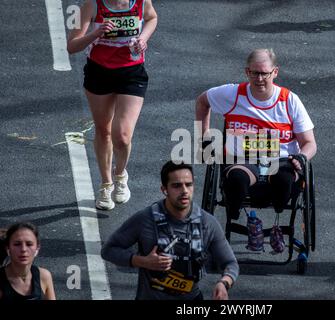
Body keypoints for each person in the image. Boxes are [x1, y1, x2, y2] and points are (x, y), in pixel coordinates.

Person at [195, 48, 317, 220]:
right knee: (237, 179)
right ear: (247, 72)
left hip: (281, 161)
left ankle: (278, 209)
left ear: (275, 72)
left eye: (265, 74)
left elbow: (310, 143)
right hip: (243, 160)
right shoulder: (233, 94)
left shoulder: (289, 100)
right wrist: (204, 137)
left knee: (283, 179)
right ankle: (234, 212)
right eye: (255, 73)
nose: (259, 79)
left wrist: (301, 157)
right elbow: (202, 102)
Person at [101, 161, 239, 300]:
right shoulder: (145, 219)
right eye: (177, 186)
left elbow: (230, 263)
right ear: (164, 189)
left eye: (188, 184)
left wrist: (224, 283)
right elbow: (109, 250)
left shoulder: (208, 223)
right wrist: (142, 261)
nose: (184, 191)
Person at [67, 0, 158, 210]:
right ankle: (106, 184)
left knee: (123, 135)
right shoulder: (93, 5)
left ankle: (120, 175)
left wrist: (143, 39)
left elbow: (152, 18)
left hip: (132, 72)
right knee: (104, 130)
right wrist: (95, 33)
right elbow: (72, 46)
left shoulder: (141, 2)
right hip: (99, 72)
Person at [0, 222, 56, 300]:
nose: (23, 249)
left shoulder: (44, 276)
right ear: (8, 248)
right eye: (17, 244)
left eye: (29, 244)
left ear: (37, 248)